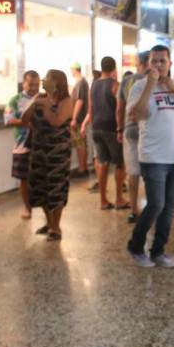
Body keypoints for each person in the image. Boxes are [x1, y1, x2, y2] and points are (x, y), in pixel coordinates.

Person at [126, 44, 174, 268]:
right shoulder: (139, 87)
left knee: (169, 208)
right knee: (156, 204)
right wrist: (151, 84)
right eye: (154, 61)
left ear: (169, 64)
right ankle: (136, 246)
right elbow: (136, 115)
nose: (158, 65)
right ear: (148, 64)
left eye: (162, 61)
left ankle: (158, 251)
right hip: (153, 156)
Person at [23, 69, 74, 241]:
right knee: (40, 187)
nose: (44, 81)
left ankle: (56, 227)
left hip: (58, 153)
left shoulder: (67, 101)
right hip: (39, 150)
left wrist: (44, 106)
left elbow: (56, 121)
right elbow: (24, 119)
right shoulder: (40, 99)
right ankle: (49, 222)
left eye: (48, 79)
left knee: (56, 188)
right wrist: (33, 104)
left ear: (57, 82)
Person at [85, 57, 130, 210]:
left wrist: (91, 125)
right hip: (112, 129)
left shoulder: (94, 85)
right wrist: (120, 128)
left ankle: (103, 200)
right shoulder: (115, 85)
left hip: (96, 127)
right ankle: (118, 198)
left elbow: (90, 109)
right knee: (120, 163)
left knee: (102, 163)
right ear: (114, 68)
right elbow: (119, 109)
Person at [116, 54, 149, 223]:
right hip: (149, 129)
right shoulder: (153, 80)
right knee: (152, 169)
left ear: (139, 63)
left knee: (133, 171)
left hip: (130, 129)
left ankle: (134, 210)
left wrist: (120, 129)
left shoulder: (126, 81)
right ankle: (154, 207)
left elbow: (119, 108)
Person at [5, 70, 40, 219]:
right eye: (30, 84)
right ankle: (27, 207)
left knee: (44, 178)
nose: (34, 87)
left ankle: (46, 210)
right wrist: (26, 123)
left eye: (37, 84)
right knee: (24, 179)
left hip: (42, 145)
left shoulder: (44, 99)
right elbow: (8, 120)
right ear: (24, 83)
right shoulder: (15, 100)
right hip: (22, 145)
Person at [69, 62, 90, 176]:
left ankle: (82, 169)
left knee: (80, 144)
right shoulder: (81, 83)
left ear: (75, 69)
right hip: (80, 118)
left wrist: (74, 118)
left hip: (79, 118)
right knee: (81, 143)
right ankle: (84, 167)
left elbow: (79, 101)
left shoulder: (81, 83)